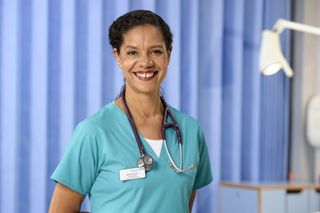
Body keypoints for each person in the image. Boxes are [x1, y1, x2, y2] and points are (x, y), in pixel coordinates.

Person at [49, 9, 212, 213]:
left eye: (156, 51)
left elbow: (183, 204)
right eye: (133, 52)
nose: (145, 62)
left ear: (168, 54)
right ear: (118, 57)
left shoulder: (190, 130)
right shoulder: (94, 132)